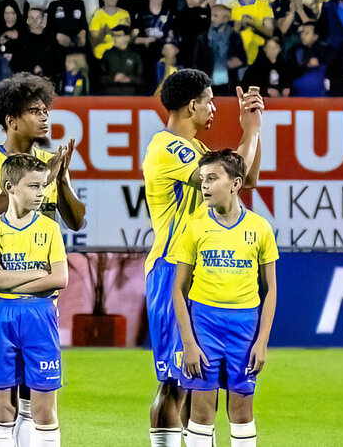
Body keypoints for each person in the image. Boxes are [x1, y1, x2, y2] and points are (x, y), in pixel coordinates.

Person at [0, 73, 85, 446]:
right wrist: (45, 177)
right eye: (35, 111)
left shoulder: (50, 161)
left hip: (40, 301)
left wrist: (60, 181)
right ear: (12, 120)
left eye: (46, 109)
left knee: (35, 396)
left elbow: (76, 220)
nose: (45, 117)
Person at [142, 69, 264, 447]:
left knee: (197, 382)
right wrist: (251, 130)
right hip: (171, 270)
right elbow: (231, 174)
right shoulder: (168, 147)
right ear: (191, 105)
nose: (213, 108)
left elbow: (246, 180)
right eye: (209, 100)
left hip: (203, 273)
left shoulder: (194, 150)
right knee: (175, 380)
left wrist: (253, 132)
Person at [170, 149, 279, 447]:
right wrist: (189, 344)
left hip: (245, 327)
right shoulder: (194, 228)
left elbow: (270, 290)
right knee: (202, 411)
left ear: (235, 183)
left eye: (213, 178)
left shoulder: (260, 228)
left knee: (242, 412)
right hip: (204, 324)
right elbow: (178, 290)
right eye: (203, 179)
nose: (205, 185)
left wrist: (262, 341)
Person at [0, 154, 69, 446]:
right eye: (33, 186)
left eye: (43, 186)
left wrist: (8, 280)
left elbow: (60, 279)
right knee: (3, 410)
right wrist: (35, 274)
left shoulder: (50, 228)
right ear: (10, 188)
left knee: (44, 411)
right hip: (2, 318)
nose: (41, 193)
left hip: (39, 318)